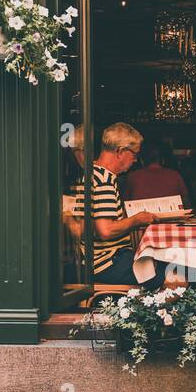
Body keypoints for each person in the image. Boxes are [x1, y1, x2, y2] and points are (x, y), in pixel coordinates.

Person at [71, 122, 162, 286]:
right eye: (134, 154)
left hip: (95, 263)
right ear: (120, 151)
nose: (135, 160)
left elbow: (85, 228)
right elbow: (106, 230)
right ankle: (146, 310)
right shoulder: (103, 180)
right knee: (176, 275)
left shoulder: (91, 174)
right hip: (110, 263)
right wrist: (136, 220)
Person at [121, 141, 190, 206]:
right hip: (174, 217)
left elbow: (125, 204)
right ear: (162, 160)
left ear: (142, 160)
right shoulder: (175, 176)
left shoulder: (132, 177)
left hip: (141, 218)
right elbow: (186, 203)